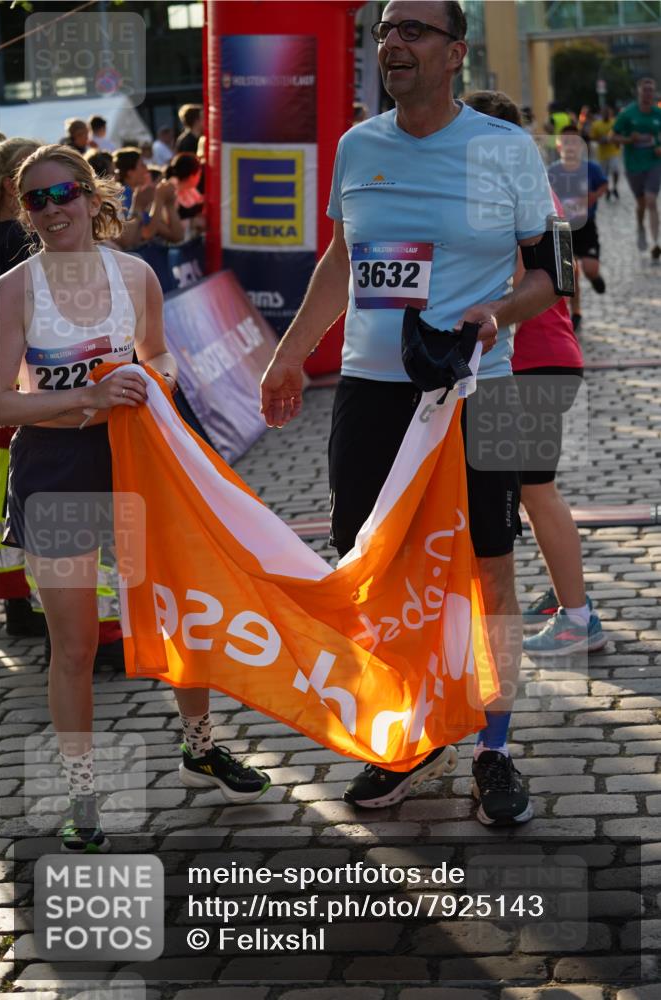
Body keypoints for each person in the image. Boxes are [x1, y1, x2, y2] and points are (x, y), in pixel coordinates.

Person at [260, 1, 558, 825]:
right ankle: (412, 735)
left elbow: (546, 274)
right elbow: (340, 258)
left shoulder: (503, 149)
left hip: (476, 388)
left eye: (412, 31)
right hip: (372, 390)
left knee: (489, 574)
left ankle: (492, 748)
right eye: (386, 28)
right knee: (374, 569)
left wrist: (497, 310)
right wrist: (289, 354)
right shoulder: (359, 145)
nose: (392, 42)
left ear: (455, 53)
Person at [0, 145, 271, 852]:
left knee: (177, 613)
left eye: (63, 194)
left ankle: (201, 744)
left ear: (91, 196)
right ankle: (84, 794)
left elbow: (161, 357)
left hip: (140, 458)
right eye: (36, 201)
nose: (53, 210)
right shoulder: (15, 289)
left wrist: (151, 378)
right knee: (77, 645)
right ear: (23, 211)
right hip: (57, 468)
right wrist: (84, 393)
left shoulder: (136, 273)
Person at [465, 91, 605, 657]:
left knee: (534, 489)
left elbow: (522, 276)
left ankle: (578, 618)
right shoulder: (531, 189)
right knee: (532, 489)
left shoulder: (506, 191)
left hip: (528, 361)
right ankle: (566, 596)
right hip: (546, 358)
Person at [0, 138, 44, 638]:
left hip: (7, 397)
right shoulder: (22, 244)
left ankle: (18, 608)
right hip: (23, 397)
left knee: (1, 510)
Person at [548, 125, 608, 332]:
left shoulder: (591, 168)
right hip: (563, 228)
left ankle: (595, 278)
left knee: (590, 268)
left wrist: (594, 195)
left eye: (574, 142)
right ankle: (577, 313)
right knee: (570, 273)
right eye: (566, 142)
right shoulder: (552, 171)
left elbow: (603, 184)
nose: (570, 146)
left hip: (586, 226)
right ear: (558, 146)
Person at [612, 76, 661, 260]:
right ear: (639, 92)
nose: (648, 94)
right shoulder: (627, 114)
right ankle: (640, 227)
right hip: (633, 165)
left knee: (651, 200)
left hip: (654, 163)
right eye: (645, 90)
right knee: (641, 203)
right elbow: (612, 137)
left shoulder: (658, 114)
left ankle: (656, 243)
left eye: (651, 90)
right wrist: (628, 140)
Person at [166, 152, 206, 239]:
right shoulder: (169, 190)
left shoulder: (190, 189)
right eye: (199, 173)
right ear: (192, 175)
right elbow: (167, 223)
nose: (200, 177)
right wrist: (192, 222)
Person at [591, 107, 621, 200]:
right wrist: (600, 140)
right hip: (602, 153)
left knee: (615, 170)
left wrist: (617, 141)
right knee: (604, 174)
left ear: (610, 114)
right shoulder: (596, 124)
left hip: (613, 151)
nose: (606, 115)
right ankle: (607, 190)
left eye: (607, 113)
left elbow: (620, 134)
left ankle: (615, 187)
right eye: (604, 113)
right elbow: (592, 136)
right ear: (601, 114)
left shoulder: (615, 123)